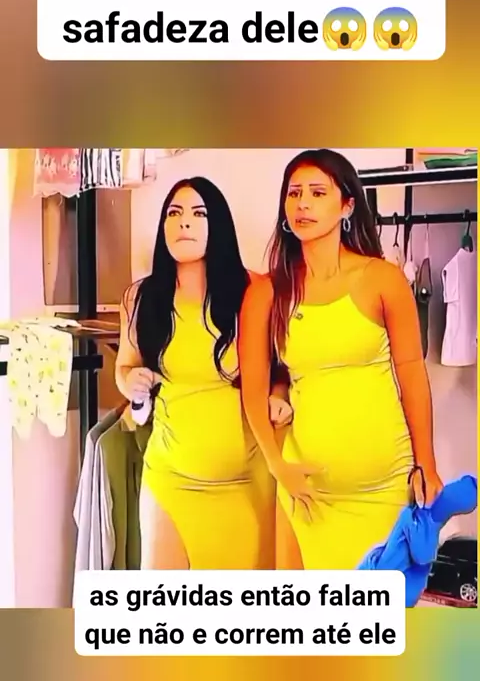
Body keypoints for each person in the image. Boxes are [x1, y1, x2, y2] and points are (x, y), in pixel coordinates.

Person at [238, 149, 443, 570]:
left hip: (384, 488)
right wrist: (278, 467)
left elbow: (411, 375)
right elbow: (252, 390)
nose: (303, 204)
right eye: (294, 194)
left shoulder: (382, 279)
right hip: (306, 493)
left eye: (317, 193)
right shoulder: (267, 292)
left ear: (347, 205)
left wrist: (427, 462)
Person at [115, 176, 291, 570]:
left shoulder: (254, 291)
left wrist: (278, 397)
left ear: (218, 225)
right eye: (174, 213)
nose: (184, 222)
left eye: (198, 213)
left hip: (245, 486)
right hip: (169, 480)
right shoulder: (140, 298)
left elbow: (281, 369)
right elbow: (124, 366)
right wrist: (129, 381)